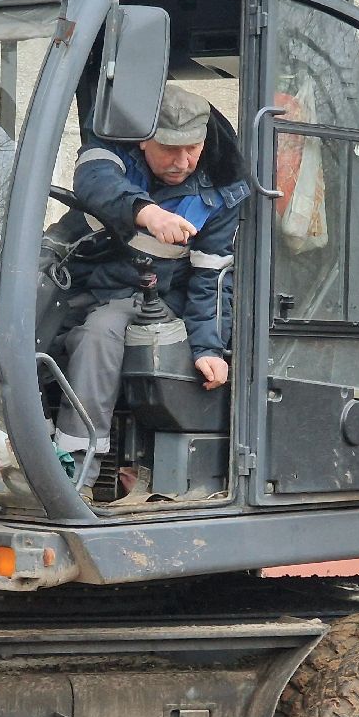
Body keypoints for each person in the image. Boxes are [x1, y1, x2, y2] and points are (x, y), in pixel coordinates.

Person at [52, 84, 249, 476]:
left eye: (192, 148)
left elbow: (211, 279)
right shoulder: (110, 152)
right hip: (89, 279)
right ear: (143, 141)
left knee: (100, 332)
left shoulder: (221, 191)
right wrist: (148, 213)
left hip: (153, 293)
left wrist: (209, 348)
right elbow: (94, 181)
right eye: (169, 149)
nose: (183, 160)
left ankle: (77, 470)